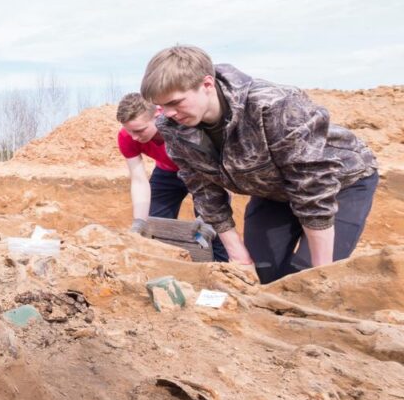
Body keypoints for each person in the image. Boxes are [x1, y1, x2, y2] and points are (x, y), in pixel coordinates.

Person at [140, 45, 378, 283]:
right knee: (264, 273)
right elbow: (203, 189)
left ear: (207, 85)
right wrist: (239, 257)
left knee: (308, 276)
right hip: (273, 191)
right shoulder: (173, 129)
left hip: (339, 184)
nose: (169, 113)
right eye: (163, 106)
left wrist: (321, 273)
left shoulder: (273, 105)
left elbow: (311, 185)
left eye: (176, 102)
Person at [115, 92, 228, 261]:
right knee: (155, 224)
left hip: (202, 173)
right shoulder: (127, 137)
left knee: (212, 226)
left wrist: (208, 216)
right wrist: (139, 222)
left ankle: (222, 271)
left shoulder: (186, 126)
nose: (134, 137)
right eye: (129, 131)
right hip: (166, 173)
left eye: (139, 130)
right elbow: (139, 180)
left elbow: (223, 172)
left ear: (158, 114)